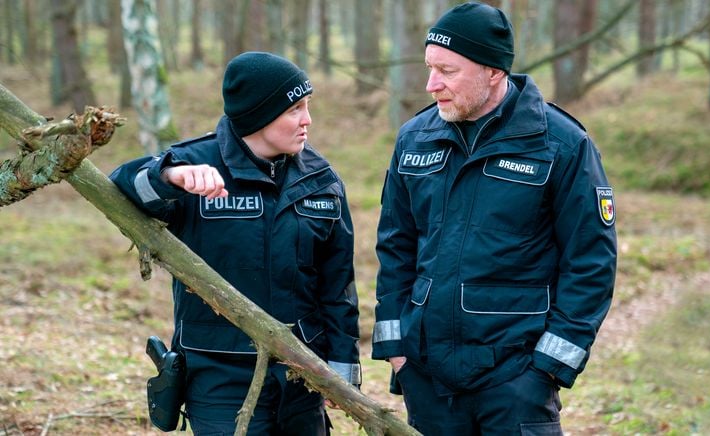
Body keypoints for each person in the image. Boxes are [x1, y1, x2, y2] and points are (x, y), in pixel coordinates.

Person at [371, 2, 617, 435]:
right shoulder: (414, 138)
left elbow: (590, 261)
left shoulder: (561, 144)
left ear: (493, 72)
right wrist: (398, 352)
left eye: (447, 71)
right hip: (427, 378)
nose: (432, 85)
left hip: (516, 379)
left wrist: (548, 369)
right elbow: (395, 248)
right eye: (429, 68)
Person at [110, 51, 361, 435]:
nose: (307, 120)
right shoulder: (194, 162)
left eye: (308, 106)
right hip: (219, 375)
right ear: (259, 115)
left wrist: (342, 368)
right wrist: (170, 177)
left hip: (302, 371)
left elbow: (337, 283)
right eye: (295, 108)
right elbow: (121, 186)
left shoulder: (321, 178)